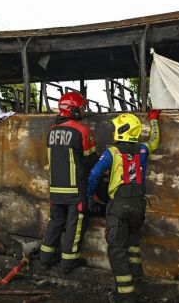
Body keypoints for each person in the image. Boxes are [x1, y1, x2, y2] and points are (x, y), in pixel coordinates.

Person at [87, 110, 160, 303]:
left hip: (118, 206)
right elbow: (154, 140)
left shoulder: (112, 152)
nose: (113, 131)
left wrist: (91, 195)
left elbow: (94, 174)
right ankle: (137, 277)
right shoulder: (144, 149)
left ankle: (126, 294)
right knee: (133, 243)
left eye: (116, 127)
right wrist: (154, 120)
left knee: (117, 248)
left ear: (122, 130)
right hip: (138, 205)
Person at [39, 92, 98, 274]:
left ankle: (45, 259)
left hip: (55, 189)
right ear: (73, 108)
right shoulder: (81, 131)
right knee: (75, 224)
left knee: (55, 221)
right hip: (75, 191)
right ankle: (68, 264)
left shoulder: (51, 132)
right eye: (80, 107)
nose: (82, 110)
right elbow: (90, 160)